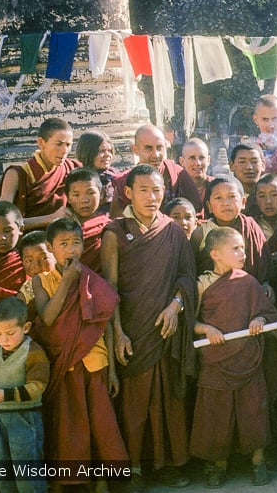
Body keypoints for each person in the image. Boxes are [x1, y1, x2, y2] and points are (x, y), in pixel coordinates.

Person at [101, 165, 197, 489]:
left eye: (157, 191)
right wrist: (118, 333)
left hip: (164, 329)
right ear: (128, 193)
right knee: (134, 406)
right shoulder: (114, 233)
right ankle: (135, 470)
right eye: (143, 190)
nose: (151, 197)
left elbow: (187, 277)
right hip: (132, 330)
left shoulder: (172, 231)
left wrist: (176, 305)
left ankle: (167, 465)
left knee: (167, 402)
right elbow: (109, 289)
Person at [28, 219, 127, 491]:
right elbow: (47, 318)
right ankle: (65, 482)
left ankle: (102, 482)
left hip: (94, 364)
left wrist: (113, 371)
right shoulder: (41, 281)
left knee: (99, 424)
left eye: (76, 243)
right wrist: (67, 282)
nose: (71, 249)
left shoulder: (93, 281)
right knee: (67, 425)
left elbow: (104, 322)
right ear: (50, 247)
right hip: (63, 364)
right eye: (63, 244)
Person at [190, 227, 277, 489]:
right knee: (216, 414)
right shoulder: (202, 284)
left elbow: (268, 313)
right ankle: (218, 464)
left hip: (247, 357)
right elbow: (190, 322)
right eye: (235, 249)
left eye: (243, 247)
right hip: (216, 359)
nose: (242, 253)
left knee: (253, 409)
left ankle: (258, 461)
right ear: (215, 254)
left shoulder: (248, 281)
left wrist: (259, 318)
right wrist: (206, 329)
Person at [0, 298, 50, 493]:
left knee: (26, 467)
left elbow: (37, 386)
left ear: (25, 327)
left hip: (24, 418)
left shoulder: (33, 352)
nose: (4, 339)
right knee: (4, 467)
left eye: (10, 333)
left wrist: (6, 395)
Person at [190, 177, 275, 293]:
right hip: (213, 296)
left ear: (243, 202)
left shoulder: (251, 227)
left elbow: (263, 264)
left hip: (249, 294)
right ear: (209, 206)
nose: (226, 203)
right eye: (218, 198)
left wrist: (265, 284)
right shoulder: (201, 233)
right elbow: (191, 269)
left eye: (232, 196)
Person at [0, 117, 82, 230]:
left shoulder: (72, 168)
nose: (64, 151)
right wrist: (50, 218)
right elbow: (2, 221)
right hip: (29, 242)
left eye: (68, 145)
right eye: (59, 144)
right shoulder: (17, 174)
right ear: (41, 143)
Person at [111, 124, 201, 218]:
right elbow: (117, 223)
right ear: (135, 149)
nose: (156, 155)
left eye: (159, 147)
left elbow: (197, 214)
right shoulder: (125, 182)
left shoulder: (178, 174)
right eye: (148, 148)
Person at [65, 168, 112, 274]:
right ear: (68, 198)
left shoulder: (109, 227)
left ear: (102, 194)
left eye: (91, 193)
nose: (84, 200)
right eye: (76, 195)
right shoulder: (61, 228)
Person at [76, 129, 118, 210]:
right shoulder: (80, 179)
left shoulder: (115, 175)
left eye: (109, 151)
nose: (107, 155)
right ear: (88, 152)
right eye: (101, 151)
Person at [229, 142, 267, 219]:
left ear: (263, 165)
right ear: (231, 166)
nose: (249, 167)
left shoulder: (270, 195)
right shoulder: (227, 195)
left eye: (254, 162)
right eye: (242, 162)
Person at [179, 137, 214, 214]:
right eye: (192, 158)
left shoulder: (216, 186)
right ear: (182, 161)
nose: (198, 163)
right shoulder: (176, 188)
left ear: (208, 160)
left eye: (201, 158)